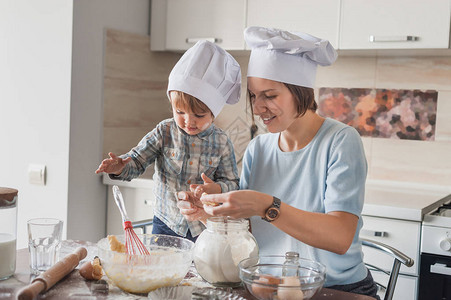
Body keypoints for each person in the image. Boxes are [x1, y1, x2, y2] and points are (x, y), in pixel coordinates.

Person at [177, 27, 379, 299]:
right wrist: (216, 210)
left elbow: (340, 237)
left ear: (301, 92)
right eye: (253, 95)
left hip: (336, 289)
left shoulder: (341, 141)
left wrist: (264, 204)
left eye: (269, 96)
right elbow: (253, 231)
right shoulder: (258, 149)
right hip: (269, 285)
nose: (258, 108)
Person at [95, 40, 241, 242]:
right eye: (180, 112)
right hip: (165, 223)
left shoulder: (222, 142)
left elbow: (233, 184)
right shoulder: (164, 131)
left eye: (199, 115)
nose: (188, 121)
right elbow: (136, 161)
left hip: (203, 227)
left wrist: (215, 189)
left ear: (214, 113)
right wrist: (119, 166)